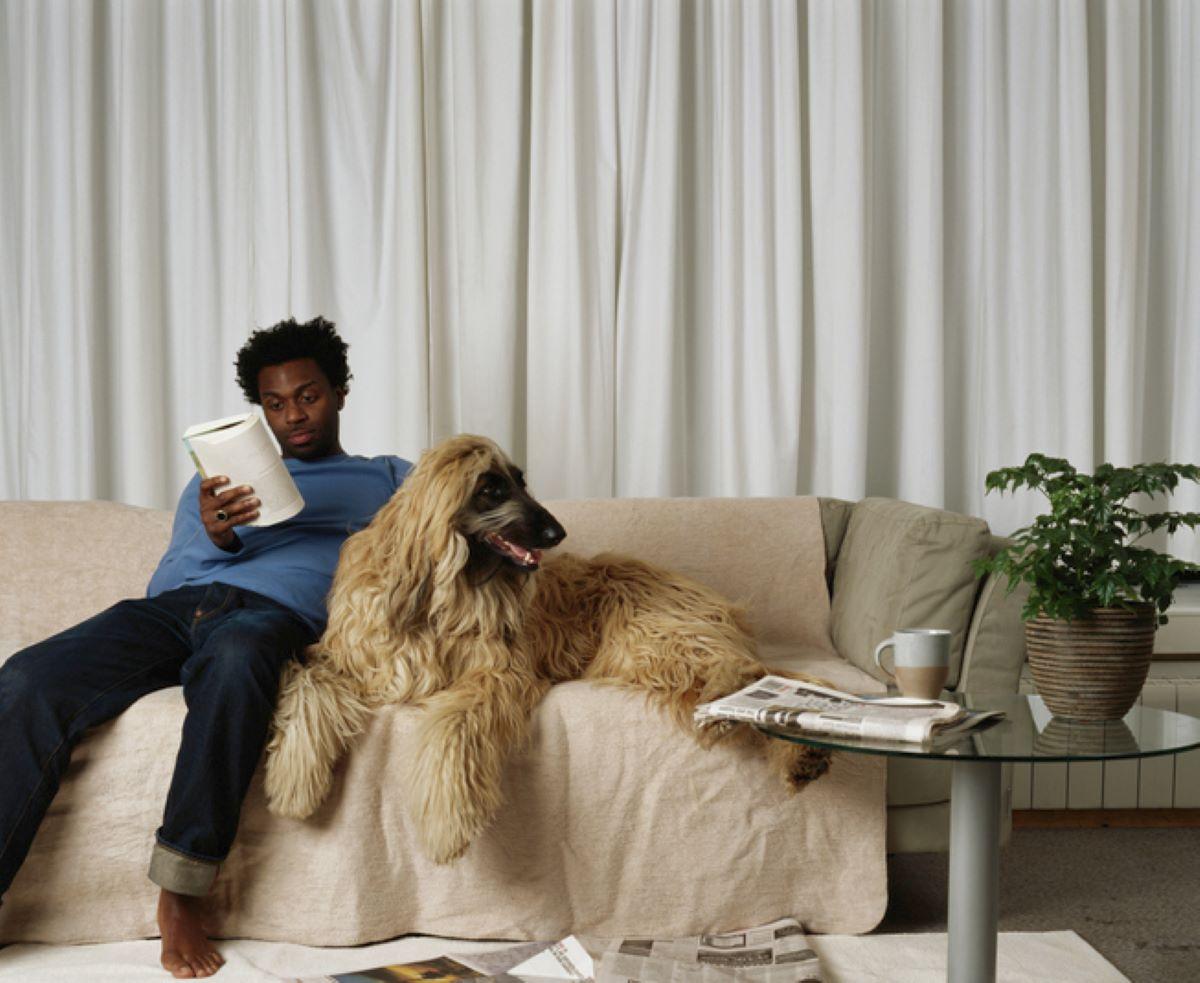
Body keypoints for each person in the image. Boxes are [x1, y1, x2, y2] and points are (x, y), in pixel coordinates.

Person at [0, 317, 411, 979]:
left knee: (237, 659)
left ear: (338, 391)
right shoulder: (213, 482)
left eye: (307, 395)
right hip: (172, 612)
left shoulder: (387, 477)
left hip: (267, 618)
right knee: (27, 676)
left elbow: (461, 509)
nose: (293, 415)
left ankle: (182, 892)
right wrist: (217, 535)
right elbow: (168, 581)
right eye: (274, 404)